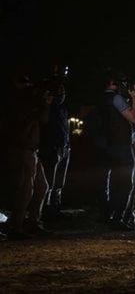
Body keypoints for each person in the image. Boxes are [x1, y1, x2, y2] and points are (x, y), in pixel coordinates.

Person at [5, 72, 53, 239]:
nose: (27, 86)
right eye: (24, 83)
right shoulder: (17, 102)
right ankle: (16, 227)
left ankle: (32, 223)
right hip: (22, 149)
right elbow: (36, 118)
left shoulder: (27, 101)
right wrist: (42, 103)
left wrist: (43, 103)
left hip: (31, 149)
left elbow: (43, 119)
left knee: (41, 186)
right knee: (25, 190)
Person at [98, 74, 135, 231]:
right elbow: (134, 119)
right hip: (122, 146)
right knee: (125, 184)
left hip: (108, 146)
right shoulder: (116, 99)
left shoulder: (102, 100)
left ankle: (109, 216)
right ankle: (119, 218)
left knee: (112, 183)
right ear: (113, 83)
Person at [39, 83, 70, 220]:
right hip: (52, 148)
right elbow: (44, 123)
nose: (62, 94)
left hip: (64, 148)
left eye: (63, 92)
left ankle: (55, 208)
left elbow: (65, 129)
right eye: (59, 92)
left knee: (59, 182)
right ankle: (45, 210)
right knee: (49, 182)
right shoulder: (47, 108)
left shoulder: (63, 109)